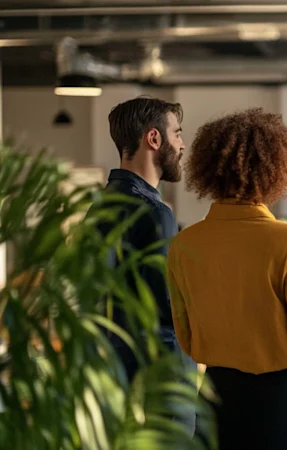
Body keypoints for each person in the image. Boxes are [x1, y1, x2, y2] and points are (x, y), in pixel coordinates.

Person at [166, 108, 287, 450]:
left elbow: (188, 341)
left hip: (215, 400)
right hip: (277, 403)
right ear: (274, 169)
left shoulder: (183, 244)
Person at [87, 96, 196, 431]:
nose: (182, 144)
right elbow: (169, 305)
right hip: (162, 375)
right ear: (154, 138)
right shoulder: (155, 212)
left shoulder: (100, 205)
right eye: (177, 133)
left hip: (115, 372)